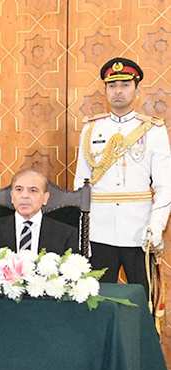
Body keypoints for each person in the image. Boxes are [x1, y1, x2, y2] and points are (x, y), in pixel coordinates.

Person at [74, 57, 171, 294]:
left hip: (139, 232)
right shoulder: (91, 129)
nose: (118, 91)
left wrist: (156, 226)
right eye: (112, 85)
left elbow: (164, 185)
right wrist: (82, 231)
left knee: (142, 299)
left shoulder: (154, 130)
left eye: (125, 85)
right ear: (105, 90)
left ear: (137, 90)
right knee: (96, 300)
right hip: (99, 230)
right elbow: (81, 185)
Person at [0, 169, 79, 254]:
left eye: (33, 190)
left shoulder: (66, 234)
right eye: (19, 189)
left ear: (45, 198)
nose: (24, 196)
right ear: (12, 196)